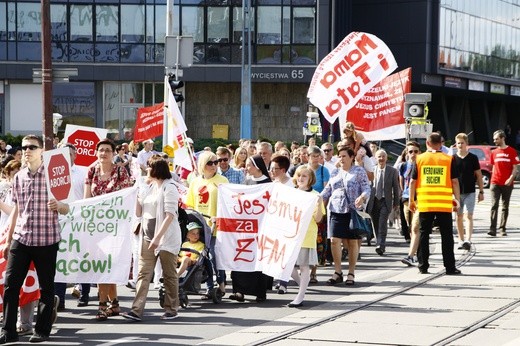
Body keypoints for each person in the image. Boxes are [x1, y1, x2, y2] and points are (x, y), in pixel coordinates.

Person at [0, 134, 70, 344]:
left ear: (42, 150)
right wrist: (9, 238)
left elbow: (67, 208)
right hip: (21, 239)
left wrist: (59, 206)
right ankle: (8, 331)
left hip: (47, 239)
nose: (27, 151)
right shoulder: (19, 177)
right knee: (11, 286)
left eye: (32, 147)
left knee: (47, 288)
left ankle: (41, 331)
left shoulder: (54, 175)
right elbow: (16, 210)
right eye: (25, 147)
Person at [122, 156, 181, 322]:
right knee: (143, 274)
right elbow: (139, 213)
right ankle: (136, 310)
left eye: (148, 168)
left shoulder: (170, 188)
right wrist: (138, 194)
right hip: (147, 237)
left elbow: (170, 215)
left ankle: (171, 308)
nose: (146, 171)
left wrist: (158, 238)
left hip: (165, 238)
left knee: (169, 274)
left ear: (156, 170)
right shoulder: (149, 187)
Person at [84, 138, 133, 321]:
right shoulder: (91, 171)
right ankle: (113, 304)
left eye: (107, 150)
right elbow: (86, 199)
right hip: (96, 226)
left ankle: (103, 305)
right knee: (100, 265)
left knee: (108, 265)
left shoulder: (120, 171)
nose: (103, 153)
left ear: (113, 153)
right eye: (101, 150)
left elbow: (127, 197)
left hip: (115, 225)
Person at [408, 132, 462, 275]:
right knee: (447, 235)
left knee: (424, 234)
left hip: (425, 203)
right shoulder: (449, 159)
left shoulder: (419, 159)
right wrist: (457, 201)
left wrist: (411, 201)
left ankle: (423, 265)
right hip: (443, 204)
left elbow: (412, 181)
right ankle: (450, 267)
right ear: (441, 143)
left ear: (427, 143)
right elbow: (455, 182)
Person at [320, 147, 371, 286]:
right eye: (339, 156)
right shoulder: (335, 172)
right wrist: (316, 198)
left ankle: (351, 272)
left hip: (352, 210)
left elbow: (367, 188)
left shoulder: (358, 171)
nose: (341, 159)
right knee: (334, 241)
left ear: (351, 157)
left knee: (352, 242)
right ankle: (337, 271)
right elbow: (328, 189)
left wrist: (362, 197)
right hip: (336, 209)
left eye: (344, 156)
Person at [230, 154, 273, 302]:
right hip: (245, 227)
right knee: (242, 254)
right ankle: (239, 291)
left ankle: (259, 292)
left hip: (262, 228)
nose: (246, 168)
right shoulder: (246, 181)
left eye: (249, 165)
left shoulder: (269, 184)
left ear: (257, 166)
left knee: (258, 258)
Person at [186, 151, 228, 296]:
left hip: (216, 226)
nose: (214, 166)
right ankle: (210, 287)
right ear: (202, 165)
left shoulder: (222, 181)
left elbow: (227, 204)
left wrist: (219, 216)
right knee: (202, 257)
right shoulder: (195, 182)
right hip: (200, 225)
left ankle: (221, 283)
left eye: (216, 162)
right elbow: (190, 204)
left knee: (215, 257)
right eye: (210, 163)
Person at [287, 165, 324, 307]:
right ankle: (303, 284)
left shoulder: (315, 195)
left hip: (306, 235)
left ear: (310, 179)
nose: (301, 178)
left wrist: (319, 203)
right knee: (287, 266)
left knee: (304, 267)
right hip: (290, 235)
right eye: (299, 175)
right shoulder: (291, 193)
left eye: (304, 176)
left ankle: (300, 295)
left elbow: (318, 219)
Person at [453, 133, 484, 249]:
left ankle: (468, 240)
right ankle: (460, 240)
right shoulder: (452, 159)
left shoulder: (473, 158)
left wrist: (481, 191)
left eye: (462, 143)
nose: (460, 145)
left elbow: (479, 176)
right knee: (458, 216)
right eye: (458, 143)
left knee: (469, 215)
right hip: (456, 193)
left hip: (470, 191)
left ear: (467, 144)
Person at [367, 149, 400, 256]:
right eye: (379, 157)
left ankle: (381, 245)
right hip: (373, 200)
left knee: (382, 223)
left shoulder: (392, 171)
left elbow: (396, 187)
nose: (381, 159)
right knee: (375, 223)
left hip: (385, 201)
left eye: (383, 156)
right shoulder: (372, 170)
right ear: (376, 159)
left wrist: (396, 202)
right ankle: (378, 242)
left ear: (386, 158)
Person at [488, 129, 520, 237]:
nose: (495, 141)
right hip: (495, 182)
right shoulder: (494, 152)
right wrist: (492, 179)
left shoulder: (512, 151)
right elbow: (493, 167)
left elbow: (515, 167)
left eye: (496, 139)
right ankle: (492, 229)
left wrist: (511, 178)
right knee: (494, 205)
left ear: (502, 138)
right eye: (494, 139)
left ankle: (502, 228)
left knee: (505, 207)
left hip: (507, 183)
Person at [400, 141, 421, 266]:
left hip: (418, 199)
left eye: (415, 151)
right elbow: (402, 181)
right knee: (410, 226)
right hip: (407, 199)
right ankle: (415, 253)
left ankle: (413, 255)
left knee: (415, 227)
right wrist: (404, 194)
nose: (413, 154)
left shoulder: (421, 164)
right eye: (410, 151)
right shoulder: (403, 166)